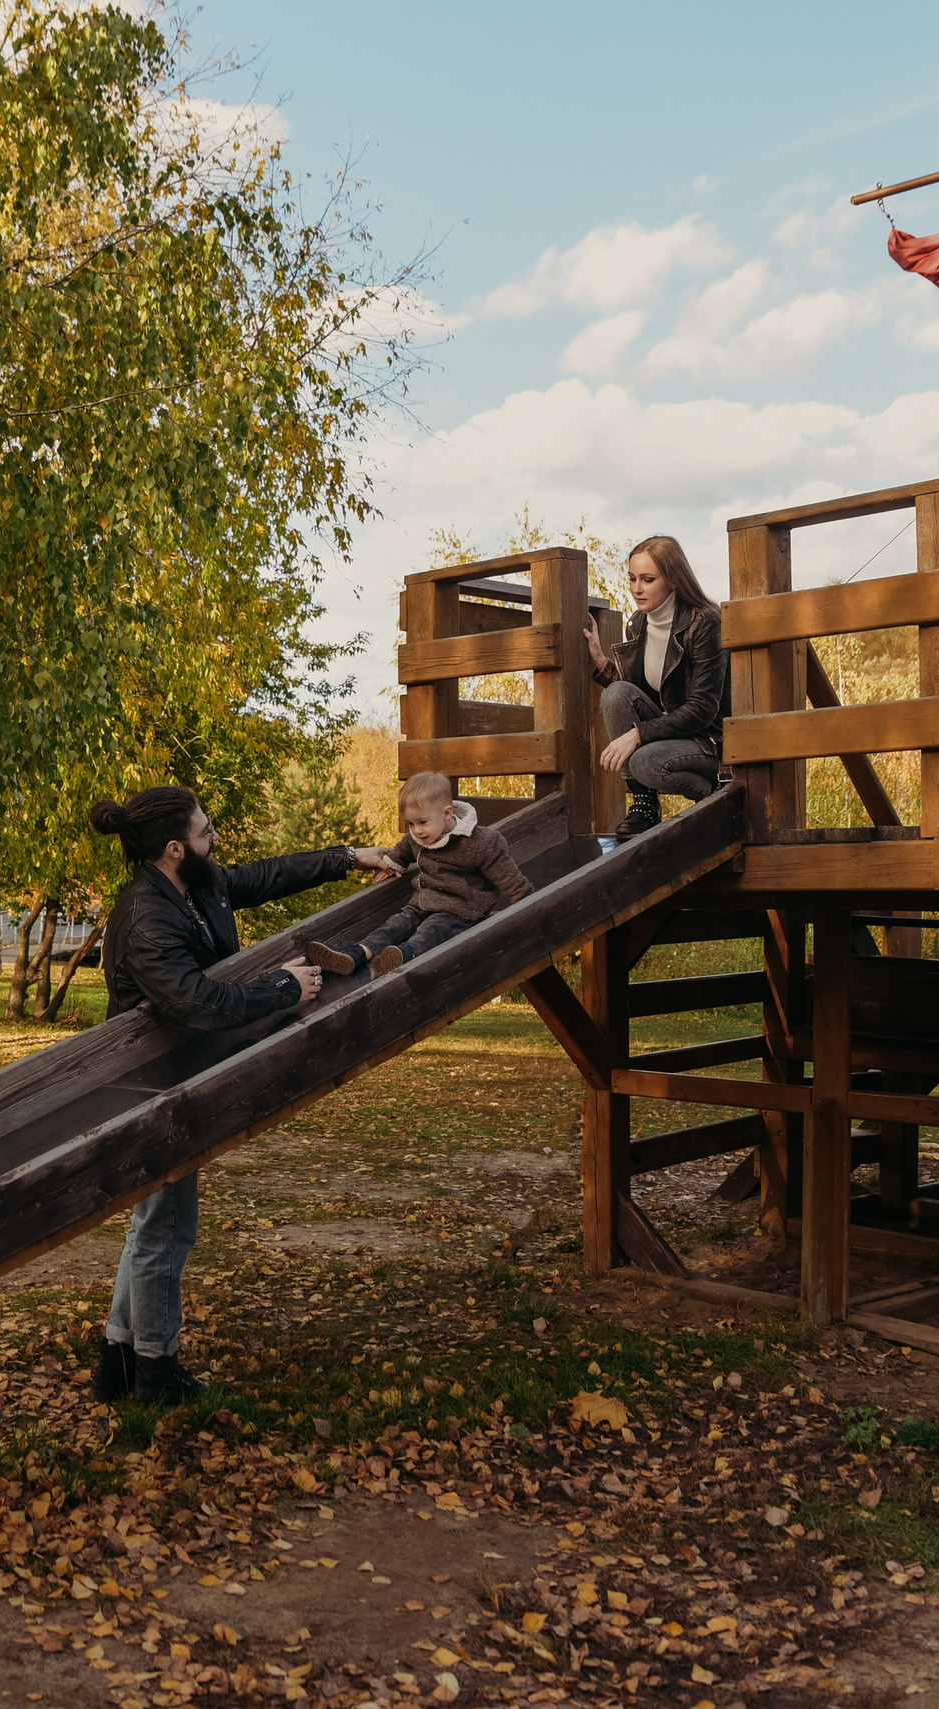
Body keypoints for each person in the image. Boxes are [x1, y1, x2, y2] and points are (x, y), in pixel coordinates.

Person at [86, 784, 399, 1405]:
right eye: (205, 833)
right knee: (165, 1229)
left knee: (158, 1223)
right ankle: (155, 1371)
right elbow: (201, 1003)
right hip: (151, 1087)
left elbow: (265, 876)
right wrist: (285, 988)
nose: (214, 839)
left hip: (180, 1078)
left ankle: (119, 1362)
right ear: (175, 849)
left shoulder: (192, 887)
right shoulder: (148, 919)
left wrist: (350, 856)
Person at [298, 771, 530, 977]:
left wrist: (525, 900)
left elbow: (506, 875)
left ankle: (404, 955)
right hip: (422, 902)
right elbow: (404, 849)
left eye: (422, 822)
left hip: (460, 909)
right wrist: (391, 863)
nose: (416, 830)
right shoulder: (418, 837)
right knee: (397, 923)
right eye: (410, 823)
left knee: (433, 930)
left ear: (447, 813)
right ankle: (359, 952)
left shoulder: (481, 842)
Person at [585, 534, 728, 837]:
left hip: (709, 741)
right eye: (633, 578)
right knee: (616, 694)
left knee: (645, 762)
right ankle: (644, 804)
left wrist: (639, 735)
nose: (637, 588)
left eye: (648, 579)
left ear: (673, 580)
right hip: (671, 734)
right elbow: (636, 696)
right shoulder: (639, 623)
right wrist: (600, 663)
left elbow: (702, 709)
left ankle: (716, 794)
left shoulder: (705, 623)